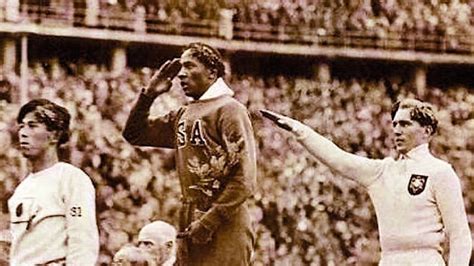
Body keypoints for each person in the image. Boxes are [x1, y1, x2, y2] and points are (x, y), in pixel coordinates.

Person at [261, 98, 472, 265]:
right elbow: (338, 159)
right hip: (389, 260)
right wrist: (299, 130)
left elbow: (460, 235)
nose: (397, 130)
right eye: (395, 124)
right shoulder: (381, 171)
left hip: (425, 260)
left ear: (426, 131)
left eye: (405, 124)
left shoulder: (440, 172)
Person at [123, 42, 257, 265]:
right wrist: (149, 95)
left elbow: (244, 178)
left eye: (189, 66)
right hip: (191, 219)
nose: (181, 75)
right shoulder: (184, 114)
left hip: (223, 221)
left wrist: (209, 222)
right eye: (180, 68)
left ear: (212, 72)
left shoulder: (230, 109)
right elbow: (134, 134)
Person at [8, 99, 99, 265]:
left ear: (54, 135)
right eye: (21, 126)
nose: (23, 132)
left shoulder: (71, 179)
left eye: (32, 125)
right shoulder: (22, 189)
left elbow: (83, 241)